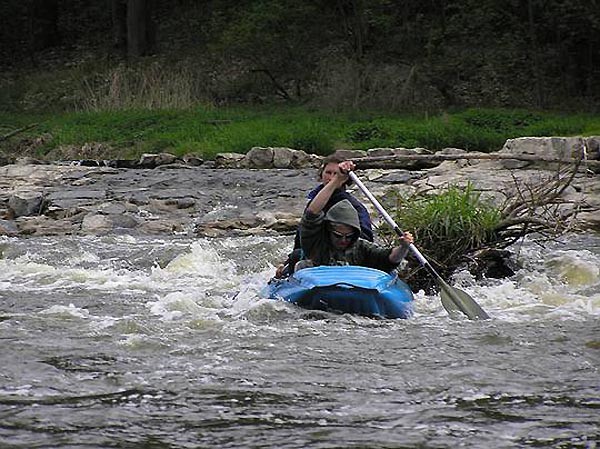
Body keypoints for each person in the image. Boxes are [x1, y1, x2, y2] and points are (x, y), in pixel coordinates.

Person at [296, 160, 414, 273]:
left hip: (352, 279)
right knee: (296, 258)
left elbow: (388, 258)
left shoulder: (360, 245)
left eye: (348, 236)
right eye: (338, 236)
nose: (343, 240)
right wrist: (337, 179)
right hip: (314, 277)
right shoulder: (317, 243)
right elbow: (311, 215)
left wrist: (403, 248)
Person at [275, 155, 374, 277]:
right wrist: (287, 263)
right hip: (314, 259)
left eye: (336, 174)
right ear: (321, 174)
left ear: (344, 179)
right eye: (328, 173)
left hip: (344, 261)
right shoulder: (314, 203)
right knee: (296, 255)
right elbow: (301, 238)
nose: (331, 178)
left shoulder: (356, 208)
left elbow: (365, 243)